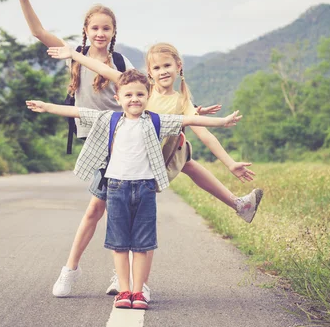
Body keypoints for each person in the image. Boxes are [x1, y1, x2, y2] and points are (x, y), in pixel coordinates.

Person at [10, 0, 220, 300]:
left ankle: (126, 279)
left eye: (106, 28)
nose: (100, 33)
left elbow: (143, 90)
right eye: (94, 28)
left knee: (118, 206)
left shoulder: (120, 63)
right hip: (94, 137)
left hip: (123, 139)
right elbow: (38, 32)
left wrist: (186, 114)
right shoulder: (72, 55)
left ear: (113, 31)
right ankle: (72, 271)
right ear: (86, 30)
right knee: (99, 210)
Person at [48, 43, 264, 294]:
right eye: (157, 67)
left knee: (144, 222)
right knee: (94, 211)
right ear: (149, 72)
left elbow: (204, 132)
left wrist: (230, 162)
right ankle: (71, 270)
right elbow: (105, 71)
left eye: (167, 66)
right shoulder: (142, 88)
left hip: (145, 168)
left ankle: (135, 283)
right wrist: (74, 55)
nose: (162, 71)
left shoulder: (182, 101)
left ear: (178, 67)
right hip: (116, 161)